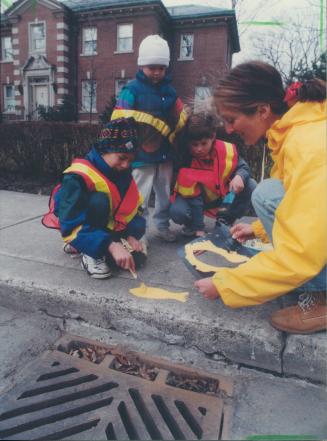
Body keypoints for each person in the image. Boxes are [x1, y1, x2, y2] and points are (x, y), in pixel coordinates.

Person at [193, 63, 327, 334]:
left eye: (231, 119)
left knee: (265, 193)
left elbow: (302, 249)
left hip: (308, 251)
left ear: (263, 110)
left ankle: (320, 302)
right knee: (269, 192)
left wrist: (227, 284)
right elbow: (301, 207)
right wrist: (257, 229)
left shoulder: (308, 145)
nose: (229, 130)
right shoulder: (299, 130)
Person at [42, 118, 146, 279]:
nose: (126, 165)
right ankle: (89, 253)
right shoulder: (77, 177)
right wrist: (110, 245)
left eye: (131, 160)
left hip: (105, 226)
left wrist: (132, 235)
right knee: (99, 200)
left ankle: (84, 245)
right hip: (77, 226)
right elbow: (70, 225)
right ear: (104, 150)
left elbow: (133, 207)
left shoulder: (122, 173)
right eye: (122, 157)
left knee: (137, 260)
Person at [111, 34, 188, 243]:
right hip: (140, 153)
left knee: (164, 193)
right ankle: (138, 231)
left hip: (165, 152)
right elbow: (119, 117)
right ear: (141, 65)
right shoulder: (131, 90)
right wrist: (124, 147)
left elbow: (181, 114)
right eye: (151, 67)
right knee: (140, 195)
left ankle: (162, 225)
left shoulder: (170, 91)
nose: (157, 72)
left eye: (161, 68)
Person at [169, 113, 256, 237]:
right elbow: (194, 198)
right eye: (195, 145)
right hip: (194, 199)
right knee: (177, 212)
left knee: (251, 185)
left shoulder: (225, 150)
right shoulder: (185, 159)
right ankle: (192, 224)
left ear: (213, 137)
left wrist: (239, 176)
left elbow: (243, 167)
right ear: (188, 143)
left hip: (222, 197)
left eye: (204, 143)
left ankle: (225, 220)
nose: (199, 149)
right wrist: (199, 228)